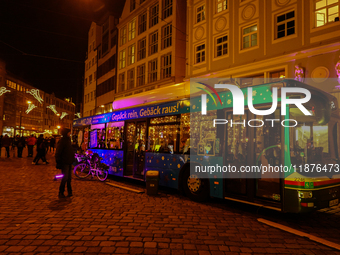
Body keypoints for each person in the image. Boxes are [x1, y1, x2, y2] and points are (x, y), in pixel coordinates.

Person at [56, 128, 75, 198]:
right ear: (66, 133)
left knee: (69, 178)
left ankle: (70, 192)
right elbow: (58, 152)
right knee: (65, 177)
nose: (70, 133)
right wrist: (58, 162)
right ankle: (61, 192)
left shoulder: (68, 140)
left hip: (69, 161)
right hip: (64, 162)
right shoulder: (62, 141)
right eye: (69, 132)